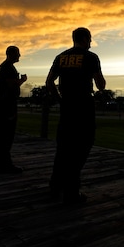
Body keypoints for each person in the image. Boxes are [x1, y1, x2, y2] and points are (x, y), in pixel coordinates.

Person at [46, 27, 106, 204]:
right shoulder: (91, 57)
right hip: (84, 108)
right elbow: (100, 84)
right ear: (86, 38)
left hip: (67, 108)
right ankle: (72, 192)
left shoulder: (61, 57)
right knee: (81, 148)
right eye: (90, 39)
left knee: (63, 148)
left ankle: (55, 185)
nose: (91, 42)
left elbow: (49, 82)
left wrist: (60, 100)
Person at [0, 45, 27, 174]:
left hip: (2, 103)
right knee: (7, 135)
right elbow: (11, 84)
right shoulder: (8, 68)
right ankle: (5, 164)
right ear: (11, 54)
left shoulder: (2, 67)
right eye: (18, 53)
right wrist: (22, 80)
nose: (19, 56)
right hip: (7, 105)